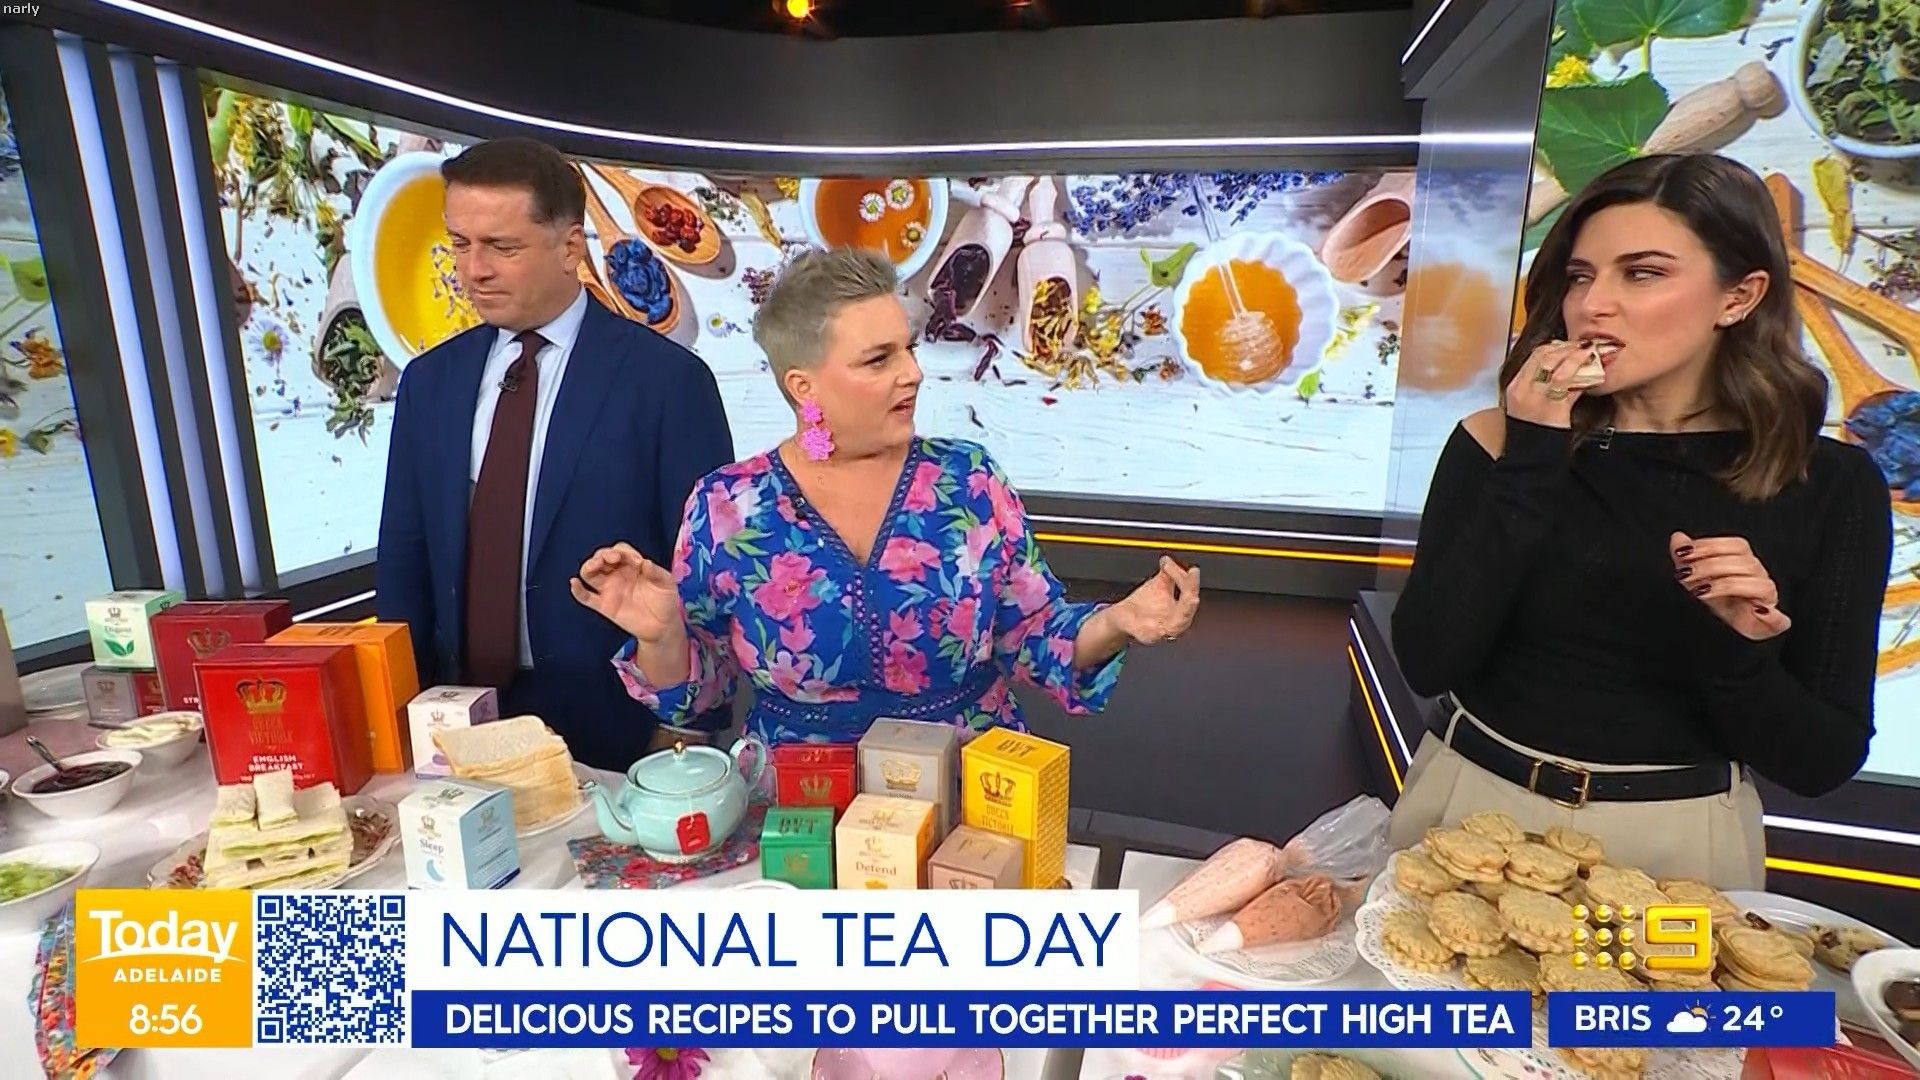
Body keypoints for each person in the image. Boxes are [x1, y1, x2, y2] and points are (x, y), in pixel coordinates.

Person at [1388, 154, 1892, 889]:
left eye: (1643, 273)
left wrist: (1738, 650)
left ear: (1739, 296)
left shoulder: (1830, 485)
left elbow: (1820, 764)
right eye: (1580, 276)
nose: (1594, 305)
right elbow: (1428, 659)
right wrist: (1532, 456)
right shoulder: (1498, 442)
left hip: (1676, 846)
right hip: (1467, 800)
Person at [569, 247, 1201, 744]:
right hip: (800, 812)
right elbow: (699, 697)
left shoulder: (969, 482)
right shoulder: (728, 508)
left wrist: (1117, 622)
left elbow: (1034, 633)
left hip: (967, 799)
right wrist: (663, 636)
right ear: (804, 387)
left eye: (909, 348)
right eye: (879, 360)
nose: (913, 373)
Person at [376, 137, 734, 771]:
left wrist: (681, 731)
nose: (474, 270)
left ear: (571, 247)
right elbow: (405, 563)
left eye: (502, 247)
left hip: (619, 732)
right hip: (454, 727)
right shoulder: (429, 383)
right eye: (460, 243)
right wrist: (396, 714)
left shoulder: (667, 382)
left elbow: (707, 579)